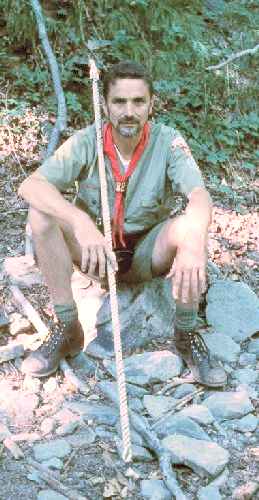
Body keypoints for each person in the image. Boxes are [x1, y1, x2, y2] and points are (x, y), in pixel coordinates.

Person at [18, 60, 227, 386]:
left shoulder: (168, 142)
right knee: (41, 215)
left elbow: (199, 195)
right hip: (94, 253)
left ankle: (186, 334)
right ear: (105, 104)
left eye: (138, 101)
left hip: (146, 252)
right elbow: (31, 186)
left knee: (189, 226)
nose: (129, 112)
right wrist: (79, 222)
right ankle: (67, 327)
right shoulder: (86, 141)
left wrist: (196, 242)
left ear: (151, 104)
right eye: (119, 102)